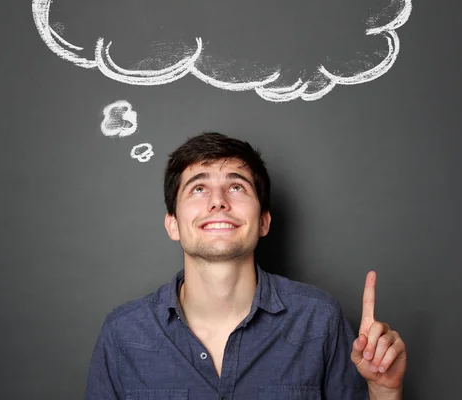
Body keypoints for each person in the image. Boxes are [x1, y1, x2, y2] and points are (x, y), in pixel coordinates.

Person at [84, 132, 407, 400]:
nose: (218, 201)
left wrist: (383, 391)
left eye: (236, 186)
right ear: (173, 224)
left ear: (264, 221)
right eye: (198, 188)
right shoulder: (125, 332)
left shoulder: (319, 319)